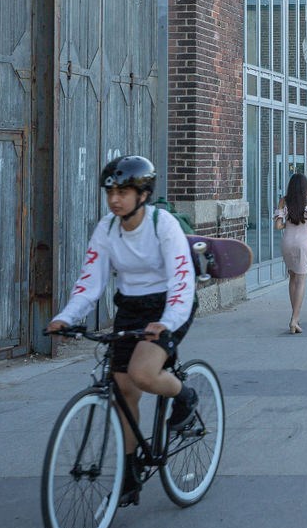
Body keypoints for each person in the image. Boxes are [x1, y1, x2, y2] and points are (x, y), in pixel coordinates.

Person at [48, 155, 197, 505]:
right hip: (130, 307)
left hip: (169, 305)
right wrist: (67, 317)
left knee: (143, 374)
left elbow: (181, 281)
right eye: (110, 192)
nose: (115, 199)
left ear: (143, 194)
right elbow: (90, 282)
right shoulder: (107, 228)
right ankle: (129, 476)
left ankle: (185, 396)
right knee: (122, 391)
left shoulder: (163, 225)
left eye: (124, 191)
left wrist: (168, 322)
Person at [274, 172, 307, 333]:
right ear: (305, 187)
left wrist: (288, 220)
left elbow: (278, 226)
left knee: (292, 278)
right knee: (301, 280)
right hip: (304, 243)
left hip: (287, 243)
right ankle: (294, 319)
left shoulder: (284, 201)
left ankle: (295, 316)